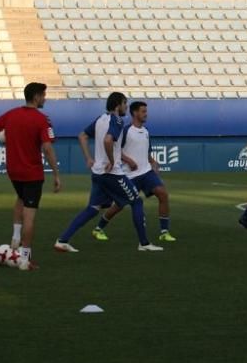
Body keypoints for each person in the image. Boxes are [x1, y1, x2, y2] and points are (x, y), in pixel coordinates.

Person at [54, 92, 163, 253]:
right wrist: (112, 161)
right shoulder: (117, 120)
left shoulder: (100, 119)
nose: (126, 107)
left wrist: (88, 158)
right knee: (136, 202)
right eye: (125, 104)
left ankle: (62, 240)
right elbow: (107, 140)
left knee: (93, 208)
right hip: (112, 174)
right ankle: (144, 243)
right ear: (118, 105)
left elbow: (82, 136)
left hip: (98, 173)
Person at [0, 82, 61, 271]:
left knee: (20, 198)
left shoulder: (11, 114)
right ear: (36, 97)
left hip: (13, 171)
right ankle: (24, 259)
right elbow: (48, 147)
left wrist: (2, 138)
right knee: (30, 213)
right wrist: (56, 174)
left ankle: (16, 239)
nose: (45, 98)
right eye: (43, 95)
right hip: (31, 172)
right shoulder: (42, 119)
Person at [90, 101, 177, 243]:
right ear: (135, 113)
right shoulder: (125, 130)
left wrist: (153, 162)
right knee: (119, 205)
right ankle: (99, 228)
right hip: (130, 175)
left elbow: (146, 152)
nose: (146, 114)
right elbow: (115, 148)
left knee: (163, 194)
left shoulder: (146, 131)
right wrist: (128, 160)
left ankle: (164, 232)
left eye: (146, 111)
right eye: (143, 111)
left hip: (147, 172)